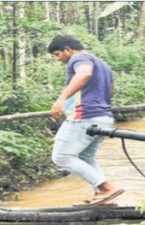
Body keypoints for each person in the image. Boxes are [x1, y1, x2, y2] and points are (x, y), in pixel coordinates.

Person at [47, 35, 124, 206]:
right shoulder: (102, 64)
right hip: (103, 117)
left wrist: (62, 98)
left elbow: (85, 73)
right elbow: (111, 90)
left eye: (58, 54)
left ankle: (107, 188)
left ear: (68, 49)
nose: (58, 58)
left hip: (84, 117)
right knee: (85, 157)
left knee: (61, 156)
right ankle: (102, 197)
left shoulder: (79, 58)